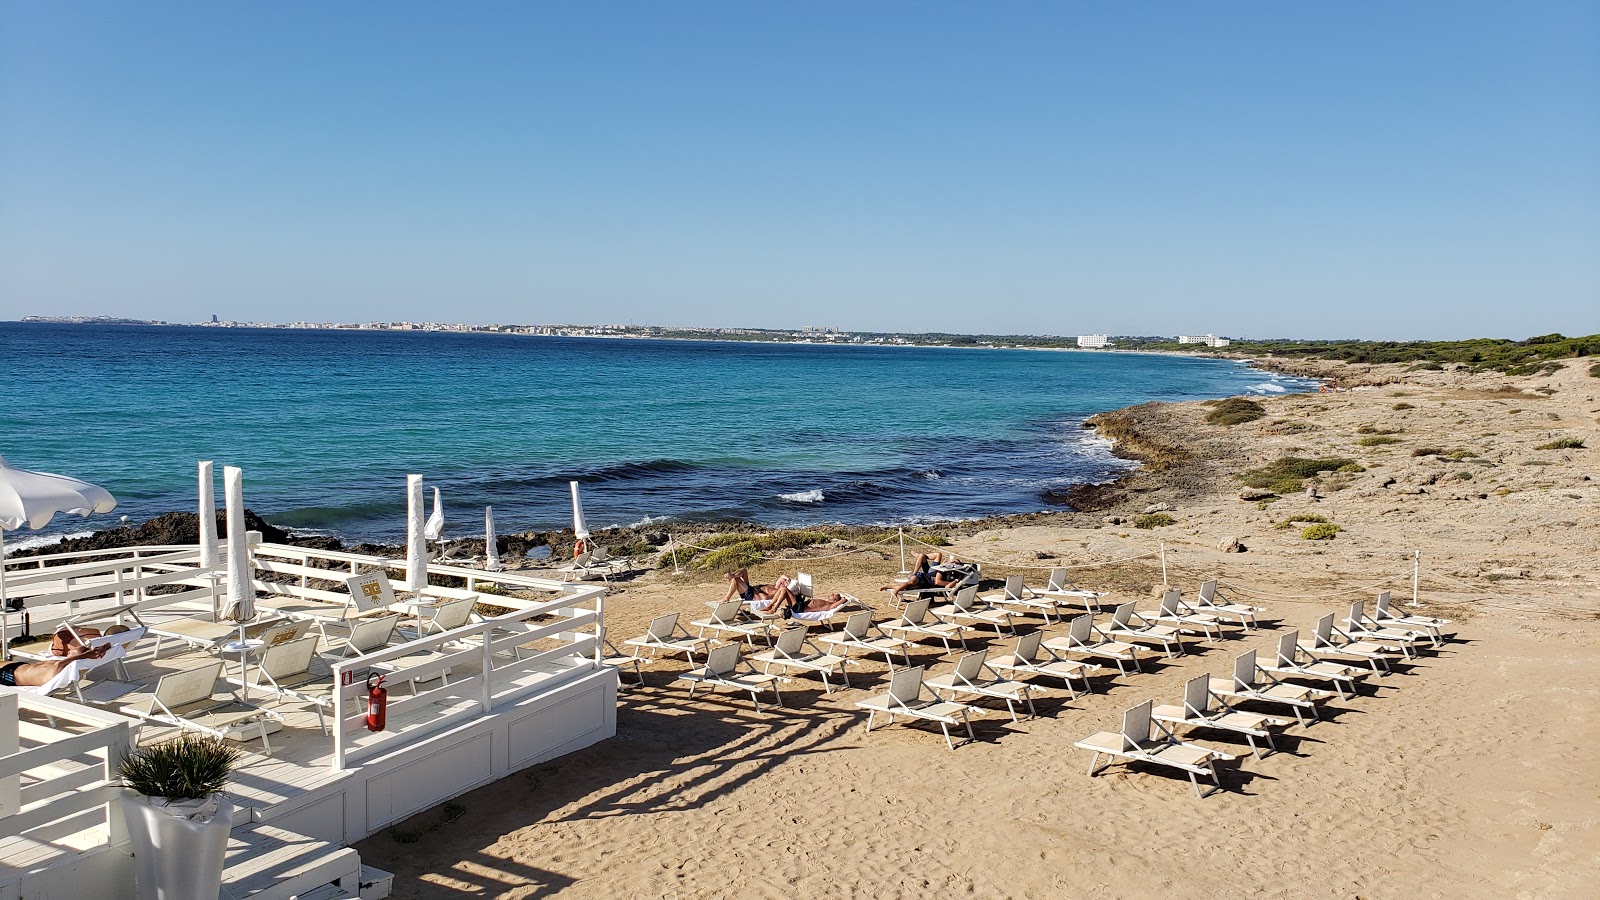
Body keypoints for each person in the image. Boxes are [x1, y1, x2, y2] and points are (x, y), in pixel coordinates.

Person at [0, 641, 110, 688]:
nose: (70, 651)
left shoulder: (62, 667)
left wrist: (86, 654)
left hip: (11, 676)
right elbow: (110, 644)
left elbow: (58, 666)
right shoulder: (64, 663)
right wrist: (104, 647)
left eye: (73, 651)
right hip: (17, 667)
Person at [881, 552, 969, 598]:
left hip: (927, 581)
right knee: (911, 581)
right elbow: (939, 582)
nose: (953, 562)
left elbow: (947, 587)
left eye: (956, 562)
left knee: (910, 587)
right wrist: (955, 581)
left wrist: (957, 580)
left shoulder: (954, 573)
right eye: (953, 561)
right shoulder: (943, 569)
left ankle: (891, 586)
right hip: (923, 576)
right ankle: (896, 591)